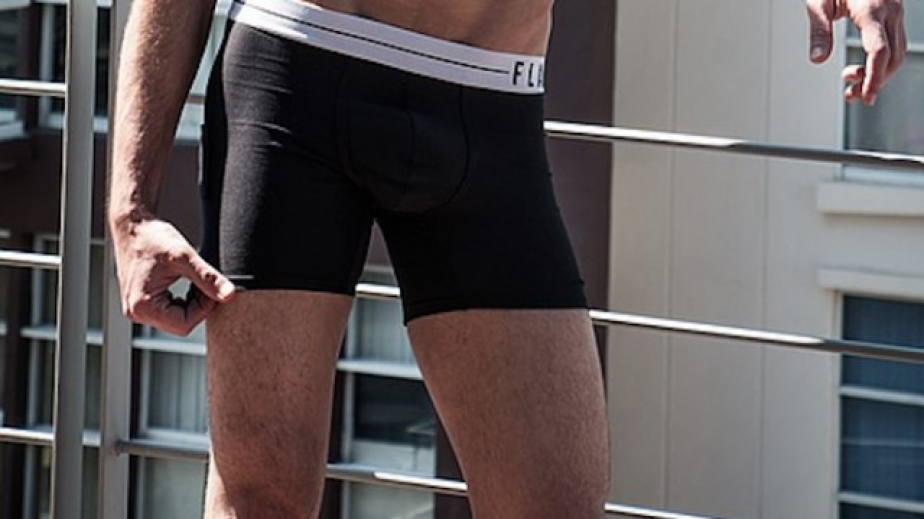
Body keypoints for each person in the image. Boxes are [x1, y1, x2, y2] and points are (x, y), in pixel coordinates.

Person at [108, 0, 906, 517]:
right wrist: (131, 207)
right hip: (297, 72)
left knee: (555, 504)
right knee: (261, 498)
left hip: (491, 104)